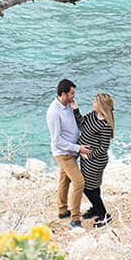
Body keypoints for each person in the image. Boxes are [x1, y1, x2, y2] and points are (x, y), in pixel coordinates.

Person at [46, 79, 92, 229]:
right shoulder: (53, 112)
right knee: (79, 182)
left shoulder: (69, 106)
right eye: (72, 93)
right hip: (64, 152)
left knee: (64, 180)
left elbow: (80, 124)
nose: (74, 96)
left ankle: (62, 210)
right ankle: (75, 219)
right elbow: (57, 140)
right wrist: (78, 148)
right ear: (64, 94)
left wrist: (76, 109)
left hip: (72, 149)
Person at [73, 92, 115, 227]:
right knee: (94, 186)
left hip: (95, 161)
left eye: (95, 102)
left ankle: (104, 215)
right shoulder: (93, 115)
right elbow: (81, 122)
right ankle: (96, 208)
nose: (93, 103)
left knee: (87, 187)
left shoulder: (106, 125)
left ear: (101, 106)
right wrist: (75, 109)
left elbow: (103, 148)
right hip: (86, 159)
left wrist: (88, 156)